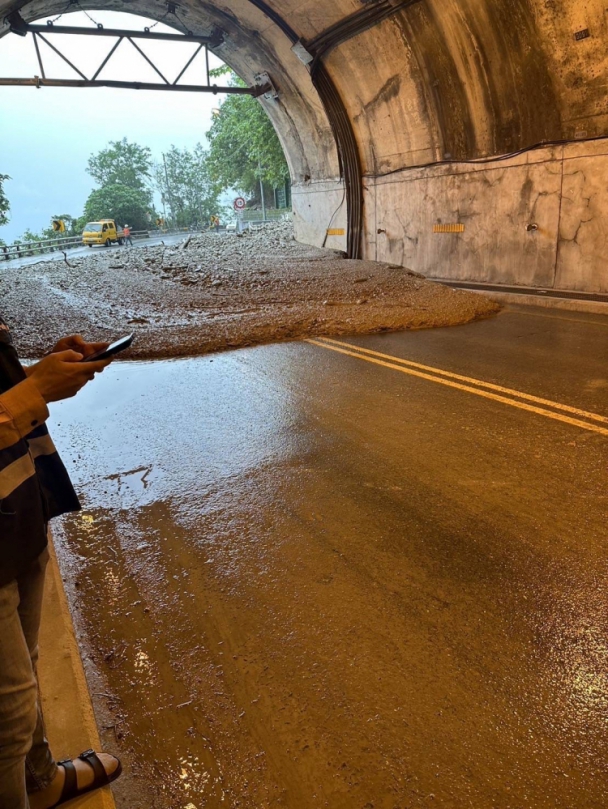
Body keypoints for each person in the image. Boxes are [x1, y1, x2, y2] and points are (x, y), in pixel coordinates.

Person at [0, 315, 122, 809]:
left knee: (21, 675)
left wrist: (37, 374)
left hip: (17, 502)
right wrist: (32, 393)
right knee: (5, 719)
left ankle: (39, 780)